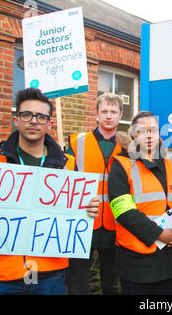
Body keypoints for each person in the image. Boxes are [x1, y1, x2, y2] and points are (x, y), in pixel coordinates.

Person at [0, 87, 100, 295]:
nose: (34, 121)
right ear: (16, 119)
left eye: (41, 117)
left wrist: (88, 210)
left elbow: (75, 215)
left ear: (49, 124)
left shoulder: (68, 165)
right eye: (27, 115)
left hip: (49, 274)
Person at [108, 111, 172, 295]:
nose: (149, 135)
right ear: (134, 135)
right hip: (138, 263)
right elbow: (122, 210)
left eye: (153, 130)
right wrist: (158, 234)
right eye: (142, 131)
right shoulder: (121, 165)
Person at [66, 93, 123, 294]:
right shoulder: (76, 142)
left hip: (115, 223)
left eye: (113, 112)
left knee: (112, 285)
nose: (109, 116)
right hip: (83, 222)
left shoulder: (128, 147)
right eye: (104, 111)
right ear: (96, 114)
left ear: (120, 115)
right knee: (77, 283)